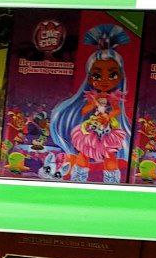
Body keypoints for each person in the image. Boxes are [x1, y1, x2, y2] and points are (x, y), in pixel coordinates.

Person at [49, 24, 132, 183]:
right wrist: (93, 105)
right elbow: (83, 111)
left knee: (110, 154)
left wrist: (108, 116)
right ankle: (79, 178)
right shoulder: (91, 96)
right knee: (85, 152)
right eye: (97, 75)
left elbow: (116, 110)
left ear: (121, 76)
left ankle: (111, 181)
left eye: (113, 75)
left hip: (107, 130)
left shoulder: (113, 97)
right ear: (89, 76)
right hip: (91, 128)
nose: (105, 80)